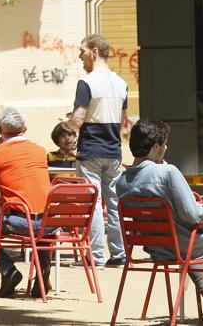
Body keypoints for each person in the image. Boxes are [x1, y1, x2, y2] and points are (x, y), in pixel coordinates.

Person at [116, 120, 203, 325]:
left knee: (186, 241)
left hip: (157, 249)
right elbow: (192, 212)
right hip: (185, 246)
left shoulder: (121, 181)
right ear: (155, 147)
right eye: (164, 144)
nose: (166, 147)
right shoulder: (167, 172)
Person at [64, 34, 127, 267]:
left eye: (82, 51)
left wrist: (66, 122)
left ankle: (96, 256)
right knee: (114, 204)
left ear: (95, 52)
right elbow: (122, 120)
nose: (80, 55)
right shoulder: (122, 83)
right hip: (114, 151)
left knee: (93, 202)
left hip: (90, 150)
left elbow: (78, 120)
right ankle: (120, 254)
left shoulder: (86, 82)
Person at [0, 107, 53, 298]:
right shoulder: (40, 151)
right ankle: (43, 268)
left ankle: (8, 270)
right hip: (50, 223)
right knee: (43, 230)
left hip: (19, 222)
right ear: (25, 129)